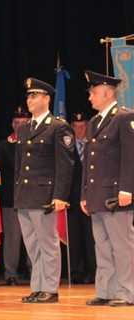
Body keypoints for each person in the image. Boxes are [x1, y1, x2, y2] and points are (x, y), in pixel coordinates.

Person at [14, 77, 74, 303]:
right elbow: (20, 166)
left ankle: (50, 288)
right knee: (32, 246)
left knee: (47, 244)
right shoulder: (24, 128)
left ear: (47, 99)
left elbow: (65, 165)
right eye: (28, 95)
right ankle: (38, 287)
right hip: (25, 196)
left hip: (45, 196)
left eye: (34, 95)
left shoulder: (58, 127)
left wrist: (60, 196)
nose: (29, 100)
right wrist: (17, 194)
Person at [80, 70, 134, 307]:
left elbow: (130, 157)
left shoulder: (125, 117)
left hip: (116, 194)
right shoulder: (94, 122)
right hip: (97, 194)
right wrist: (84, 194)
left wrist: (127, 189)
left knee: (122, 246)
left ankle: (127, 292)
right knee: (102, 246)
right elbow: (88, 164)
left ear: (108, 92)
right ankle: (106, 290)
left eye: (93, 93)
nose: (90, 97)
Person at [0, 106, 32, 286]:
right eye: (17, 123)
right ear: (12, 125)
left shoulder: (36, 143)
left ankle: (34, 271)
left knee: (33, 238)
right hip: (11, 199)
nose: (20, 126)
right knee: (12, 238)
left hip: (33, 198)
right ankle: (11, 273)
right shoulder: (4, 146)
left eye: (24, 123)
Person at [68, 112, 96, 284]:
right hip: (72, 199)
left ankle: (94, 271)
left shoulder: (94, 145)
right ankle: (76, 272)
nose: (80, 130)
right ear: (72, 128)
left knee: (91, 238)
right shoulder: (67, 147)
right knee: (75, 238)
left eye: (83, 126)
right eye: (76, 127)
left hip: (91, 199)